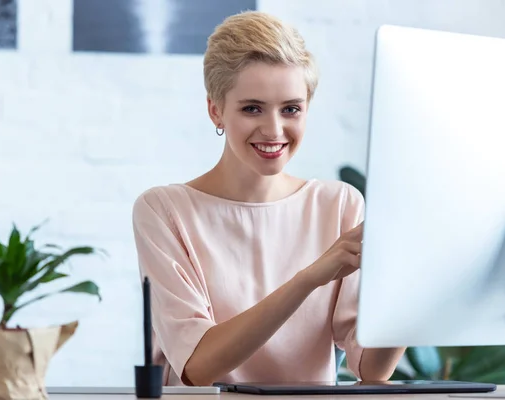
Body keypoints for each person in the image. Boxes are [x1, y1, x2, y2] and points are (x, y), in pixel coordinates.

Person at [132, 10, 405, 387]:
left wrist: (409, 281)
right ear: (216, 110)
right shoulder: (164, 211)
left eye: (291, 109)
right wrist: (308, 279)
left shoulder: (340, 204)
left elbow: (372, 369)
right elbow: (197, 366)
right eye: (252, 108)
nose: (274, 130)